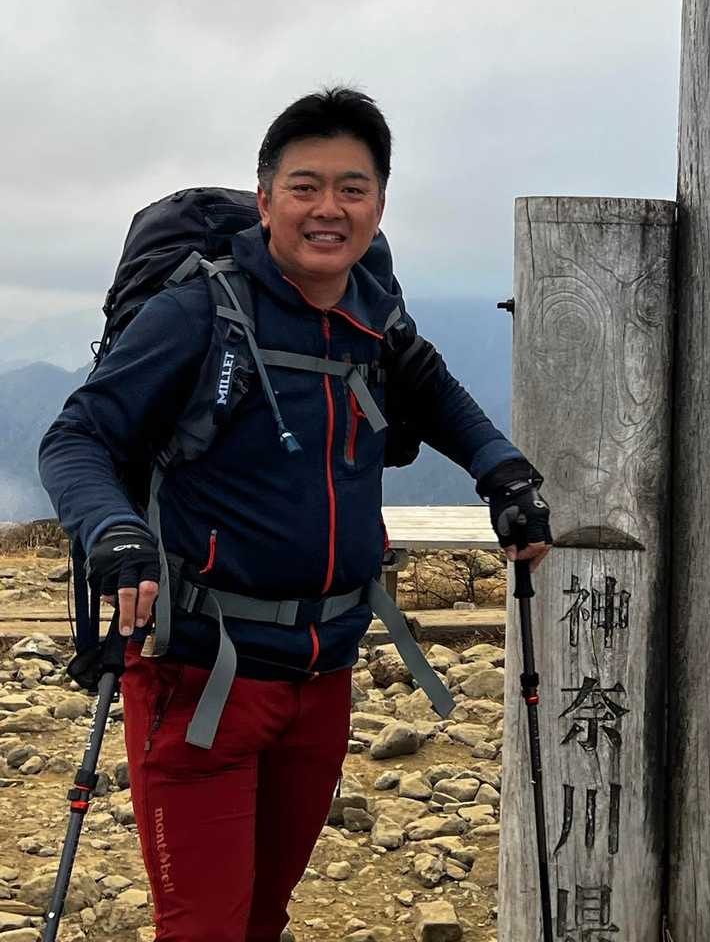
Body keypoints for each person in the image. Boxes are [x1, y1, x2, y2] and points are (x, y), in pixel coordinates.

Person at [38, 86, 552, 942]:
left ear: (379, 204)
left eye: (353, 188)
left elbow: (439, 396)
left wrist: (504, 473)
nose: (329, 209)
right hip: (200, 677)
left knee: (263, 918)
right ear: (266, 198)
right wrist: (114, 532)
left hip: (324, 676)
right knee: (204, 929)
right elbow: (76, 437)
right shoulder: (197, 312)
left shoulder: (372, 315)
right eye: (305, 186)